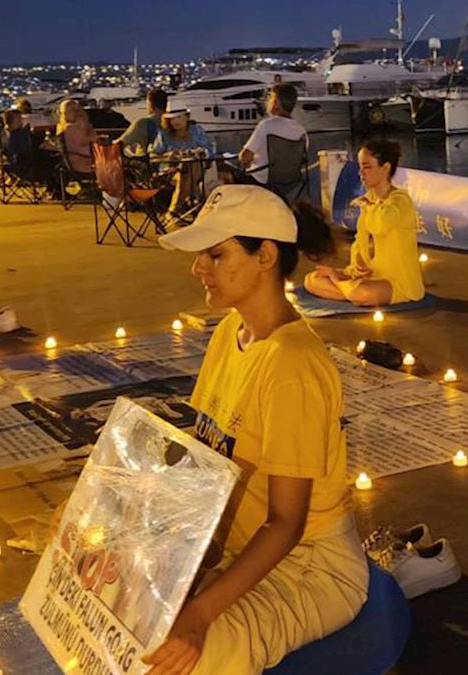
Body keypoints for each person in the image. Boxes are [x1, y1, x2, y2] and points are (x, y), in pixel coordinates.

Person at [146, 184, 366, 675]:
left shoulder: (293, 365)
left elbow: (286, 524)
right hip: (234, 549)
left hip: (309, 565)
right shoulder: (231, 331)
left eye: (216, 255)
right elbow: (202, 456)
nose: (198, 268)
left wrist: (200, 615)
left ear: (265, 256)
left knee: (172, 656)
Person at [303, 139, 423, 307]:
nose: (361, 173)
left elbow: (379, 225)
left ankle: (343, 288)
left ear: (385, 168)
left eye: (367, 167)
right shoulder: (368, 200)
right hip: (369, 277)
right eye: (360, 167)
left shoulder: (400, 201)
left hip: (394, 281)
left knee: (363, 293)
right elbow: (362, 241)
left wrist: (337, 277)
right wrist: (357, 267)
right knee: (312, 280)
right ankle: (348, 291)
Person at [239, 85, 307, 184]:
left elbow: (245, 157)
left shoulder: (267, 125)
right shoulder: (301, 131)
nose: (267, 101)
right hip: (288, 184)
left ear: (276, 103)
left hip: (260, 181)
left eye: (270, 97)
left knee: (223, 170)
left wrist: (248, 162)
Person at [55, 97, 97, 175]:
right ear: (64, 114)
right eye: (72, 110)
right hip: (84, 162)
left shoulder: (64, 127)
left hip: (85, 160)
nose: (76, 112)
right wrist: (86, 126)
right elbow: (92, 139)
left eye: (77, 109)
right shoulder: (70, 128)